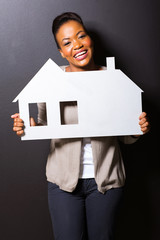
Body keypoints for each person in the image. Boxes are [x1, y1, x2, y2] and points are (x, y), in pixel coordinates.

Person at [11, 12, 150, 240]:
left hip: (106, 182)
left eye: (80, 36)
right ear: (62, 52)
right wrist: (31, 126)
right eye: (67, 43)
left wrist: (136, 130)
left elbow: (125, 134)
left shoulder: (114, 79)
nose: (77, 45)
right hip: (63, 183)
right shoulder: (52, 83)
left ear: (89, 39)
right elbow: (47, 123)